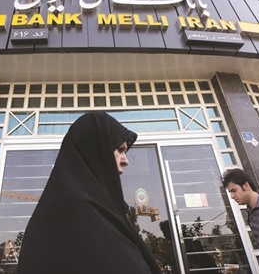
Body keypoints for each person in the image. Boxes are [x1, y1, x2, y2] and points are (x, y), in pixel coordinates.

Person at [15, 112, 162, 274]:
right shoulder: (77, 212)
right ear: (94, 150)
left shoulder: (98, 209)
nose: (126, 160)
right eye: (120, 150)